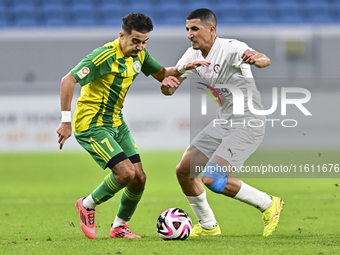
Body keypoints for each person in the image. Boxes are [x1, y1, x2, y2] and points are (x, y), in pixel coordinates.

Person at [56, 13, 189, 239]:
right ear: (122, 35)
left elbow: (162, 74)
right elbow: (68, 80)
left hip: (116, 123)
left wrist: (187, 67)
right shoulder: (104, 56)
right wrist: (65, 121)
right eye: (135, 41)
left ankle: (119, 227)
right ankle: (87, 204)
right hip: (91, 125)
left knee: (139, 178)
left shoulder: (140, 56)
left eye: (144, 42)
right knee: (126, 173)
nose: (140, 47)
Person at [160, 8, 284, 237]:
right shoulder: (191, 56)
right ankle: (208, 226)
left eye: (194, 29)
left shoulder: (231, 48)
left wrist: (257, 59)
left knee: (212, 178)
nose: (189, 34)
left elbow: (263, 58)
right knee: (184, 171)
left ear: (211, 29)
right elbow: (170, 83)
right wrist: (168, 86)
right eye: (187, 29)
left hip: (248, 120)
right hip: (223, 121)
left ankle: (268, 204)